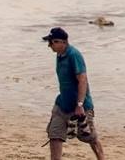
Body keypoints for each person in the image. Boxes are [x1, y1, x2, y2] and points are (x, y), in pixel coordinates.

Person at [43, 28, 105, 158]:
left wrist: (80, 104)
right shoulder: (59, 55)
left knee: (90, 138)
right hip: (62, 105)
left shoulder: (74, 55)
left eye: (52, 43)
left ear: (62, 42)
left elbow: (82, 80)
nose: (49, 46)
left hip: (80, 106)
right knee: (55, 135)